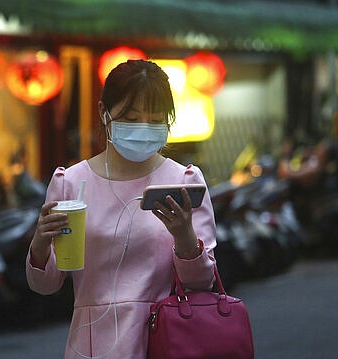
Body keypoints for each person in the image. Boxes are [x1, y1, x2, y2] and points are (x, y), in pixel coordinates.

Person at [26, 59, 217, 358]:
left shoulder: (183, 181)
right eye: (131, 117)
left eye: (155, 120)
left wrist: (184, 236)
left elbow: (203, 281)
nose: (143, 129)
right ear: (104, 113)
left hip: (165, 339)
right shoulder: (71, 182)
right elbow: (47, 284)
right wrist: (40, 244)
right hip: (91, 344)